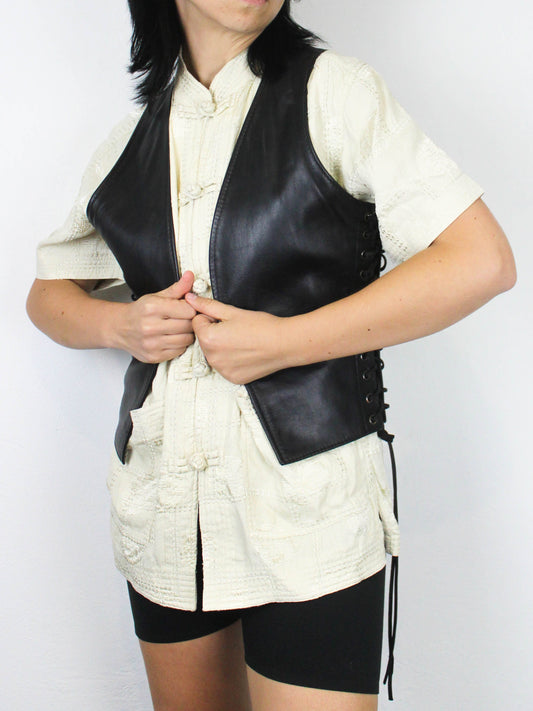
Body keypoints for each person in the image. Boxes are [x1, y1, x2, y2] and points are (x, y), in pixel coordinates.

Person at [26, 1, 516, 710]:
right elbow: (49, 294)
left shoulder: (335, 92)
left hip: (306, 516)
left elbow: (481, 260)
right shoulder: (133, 137)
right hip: (165, 514)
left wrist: (286, 341)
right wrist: (121, 326)